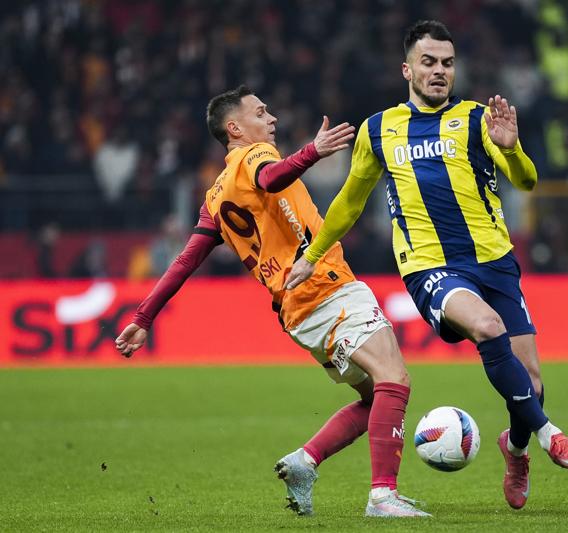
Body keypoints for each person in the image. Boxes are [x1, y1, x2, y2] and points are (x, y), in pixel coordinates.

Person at [284, 20, 568, 511]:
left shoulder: (476, 119)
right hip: (430, 266)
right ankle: (551, 437)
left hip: (495, 262)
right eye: (428, 62)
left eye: (447, 63)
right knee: (488, 327)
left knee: (532, 384)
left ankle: (516, 450)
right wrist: (313, 254)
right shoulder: (379, 129)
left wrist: (512, 149)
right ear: (407, 69)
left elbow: (526, 181)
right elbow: (349, 202)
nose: (439, 71)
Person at [114, 85, 429, 518]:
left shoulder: (214, 197)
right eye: (261, 113)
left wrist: (144, 316)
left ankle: (306, 461)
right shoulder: (255, 155)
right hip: (324, 288)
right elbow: (271, 177)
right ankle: (382, 496)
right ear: (235, 128)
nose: (272, 119)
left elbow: (185, 261)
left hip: (297, 313)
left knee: (377, 399)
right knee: (395, 379)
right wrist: (313, 151)